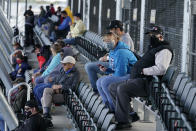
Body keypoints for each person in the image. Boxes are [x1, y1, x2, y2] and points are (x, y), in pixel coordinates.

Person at [109, 26, 173, 129]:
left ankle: (123, 121)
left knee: (121, 89)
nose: (151, 37)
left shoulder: (164, 50)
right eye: (150, 35)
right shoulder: (154, 47)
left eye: (154, 35)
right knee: (112, 87)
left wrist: (143, 71)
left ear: (161, 36)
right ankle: (130, 115)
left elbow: (161, 69)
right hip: (139, 80)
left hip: (148, 83)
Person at [85, 20, 133, 92]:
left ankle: (96, 90)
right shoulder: (120, 37)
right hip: (114, 63)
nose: (110, 31)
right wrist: (107, 55)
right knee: (89, 65)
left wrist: (107, 58)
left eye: (112, 29)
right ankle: (98, 89)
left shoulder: (125, 39)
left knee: (89, 66)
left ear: (118, 29)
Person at [96, 32, 137, 111]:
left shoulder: (121, 52)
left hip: (131, 75)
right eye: (105, 41)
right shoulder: (113, 50)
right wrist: (107, 70)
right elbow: (115, 68)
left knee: (105, 82)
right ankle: (108, 107)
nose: (107, 43)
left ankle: (115, 108)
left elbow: (121, 72)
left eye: (109, 40)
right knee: (99, 82)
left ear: (116, 39)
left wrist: (110, 75)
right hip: (123, 73)